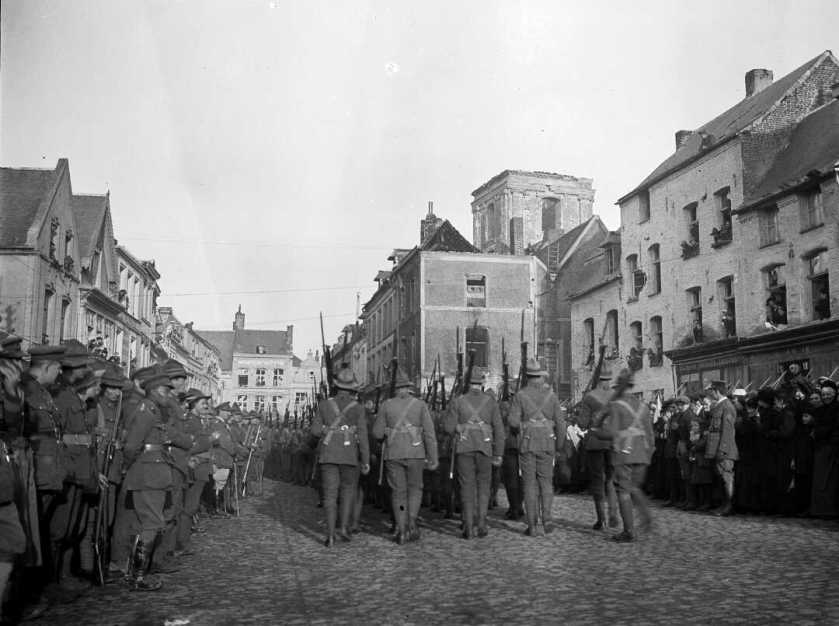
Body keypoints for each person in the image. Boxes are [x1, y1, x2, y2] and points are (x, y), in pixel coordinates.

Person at [372, 370, 438, 545]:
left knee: (398, 493)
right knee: (415, 489)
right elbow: (430, 434)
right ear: (408, 388)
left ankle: (401, 530)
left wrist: (388, 431)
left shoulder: (386, 405)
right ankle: (411, 522)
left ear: (395, 389)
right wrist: (433, 458)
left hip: (393, 454)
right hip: (416, 454)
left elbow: (377, 433)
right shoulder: (420, 405)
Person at [310, 369, 370, 547]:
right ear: (352, 389)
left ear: (336, 387)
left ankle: (329, 535)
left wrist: (327, 430)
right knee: (347, 493)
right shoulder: (358, 408)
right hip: (349, 455)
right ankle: (343, 528)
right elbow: (363, 436)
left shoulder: (324, 405)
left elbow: (314, 431)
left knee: (329, 495)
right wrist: (365, 460)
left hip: (328, 455)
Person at [508, 359, 566, 536]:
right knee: (546, 482)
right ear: (540, 376)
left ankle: (532, 525)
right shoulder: (552, 396)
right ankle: (547, 518)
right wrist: (559, 446)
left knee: (529, 484)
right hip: (548, 442)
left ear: (527, 377)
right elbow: (561, 425)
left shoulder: (520, 395)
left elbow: (512, 421)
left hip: (527, 442)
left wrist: (520, 428)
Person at [443, 369, 504, 539]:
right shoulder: (491, 402)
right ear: (482, 383)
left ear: (467, 383)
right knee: (484, 487)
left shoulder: (458, 401)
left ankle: (468, 527)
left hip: (464, 448)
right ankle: (482, 523)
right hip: (485, 449)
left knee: (466, 487)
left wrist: (458, 427)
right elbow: (499, 430)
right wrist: (498, 453)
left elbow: (448, 427)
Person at [596, 369, 653, 542]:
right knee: (634, 487)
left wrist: (597, 432)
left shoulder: (616, 405)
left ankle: (629, 531)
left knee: (623, 491)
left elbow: (612, 431)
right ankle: (646, 515)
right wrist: (648, 455)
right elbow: (650, 435)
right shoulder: (643, 406)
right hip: (642, 453)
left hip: (623, 454)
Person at [576, 368, 618, 530]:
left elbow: (582, 424)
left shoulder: (590, 396)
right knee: (611, 479)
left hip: (596, 442)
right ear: (609, 379)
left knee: (597, 481)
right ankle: (613, 513)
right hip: (613, 442)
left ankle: (602, 519)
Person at [704, 380, 738, 516]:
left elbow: (727, 431)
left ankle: (728, 506)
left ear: (716, 391)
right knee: (720, 478)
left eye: (711, 391)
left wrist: (722, 449)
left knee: (726, 478)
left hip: (725, 449)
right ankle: (723, 505)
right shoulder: (719, 405)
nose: (710, 393)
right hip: (716, 448)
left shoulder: (727, 406)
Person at [810, 379, 839, 518]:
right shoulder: (820, 410)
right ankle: (821, 510)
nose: (826, 397)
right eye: (824, 394)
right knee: (821, 480)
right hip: (821, 448)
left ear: (835, 394)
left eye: (829, 394)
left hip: (833, 449)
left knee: (830, 481)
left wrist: (820, 432)